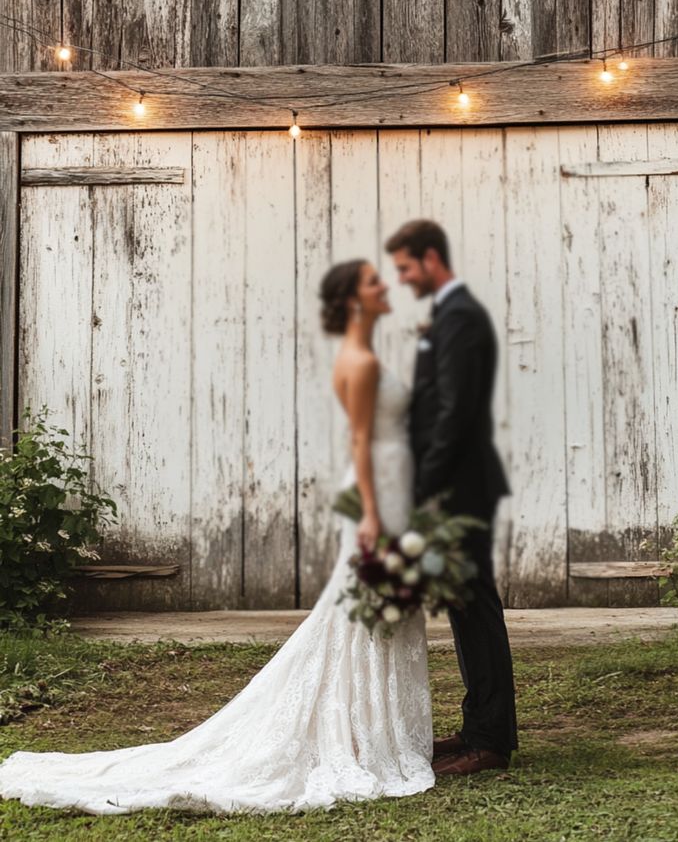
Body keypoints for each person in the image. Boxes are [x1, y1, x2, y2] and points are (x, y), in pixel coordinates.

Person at [0, 259, 434, 815]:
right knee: (364, 611)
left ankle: (372, 732)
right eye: (374, 281)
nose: (385, 287)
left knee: (379, 612)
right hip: (378, 499)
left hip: (395, 492)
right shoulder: (358, 360)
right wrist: (374, 517)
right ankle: (361, 738)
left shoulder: (370, 355)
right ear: (353, 299)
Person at [386, 218, 518, 774]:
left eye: (406, 268)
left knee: (475, 608)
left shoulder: (460, 317)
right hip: (456, 485)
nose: (402, 278)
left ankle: (491, 741)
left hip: (462, 487)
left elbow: (455, 415)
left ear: (431, 259)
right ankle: (477, 728)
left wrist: (424, 486)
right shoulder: (446, 316)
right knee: (466, 610)